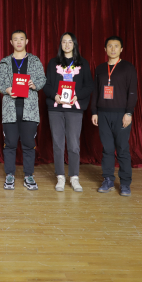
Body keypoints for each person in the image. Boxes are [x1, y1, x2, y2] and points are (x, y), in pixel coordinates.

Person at [0, 30, 46, 191]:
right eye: (15, 39)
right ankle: (9, 175)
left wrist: (35, 85)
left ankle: (28, 175)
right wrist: (7, 89)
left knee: (29, 144)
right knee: (10, 144)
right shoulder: (4, 62)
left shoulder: (35, 61)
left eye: (21, 39)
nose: (18, 42)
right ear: (11, 42)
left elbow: (42, 79)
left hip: (29, 110)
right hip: (10, 109)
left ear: (27, 41)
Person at [43, 33, 94, 192]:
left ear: (74, 44)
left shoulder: (83, 63)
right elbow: (46, 85)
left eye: (70, 42)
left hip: (74, 108)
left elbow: (89, 86)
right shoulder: (53, 63)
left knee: (73, 144)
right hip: (56, 108)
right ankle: (60, 176)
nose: (66, 44)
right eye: (64, 42)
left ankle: (74, 177)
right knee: (58, 144)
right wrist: (55, 96)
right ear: (60, 44)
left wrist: (77, 96)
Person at [91, 36, 138, 197]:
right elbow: (96, 91)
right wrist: (94, 111)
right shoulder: (100, 68)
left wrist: (129, 113)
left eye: (116, 46)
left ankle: (125, 183)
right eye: (109, 46)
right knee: (107, 149)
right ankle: (108, 180)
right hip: (103, 113)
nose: (112, 49)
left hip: (121, 114)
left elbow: (132, 92)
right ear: (105, 49)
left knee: (122, 149)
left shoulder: (128, 67)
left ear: (121, 49)